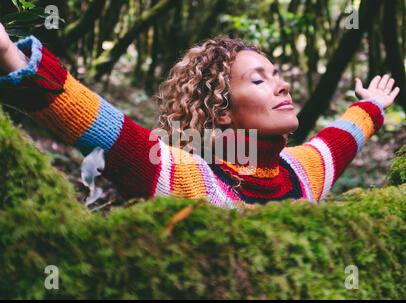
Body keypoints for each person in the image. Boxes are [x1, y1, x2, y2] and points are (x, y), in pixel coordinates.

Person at [0, 23, 400, 209]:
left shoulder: (300, 170)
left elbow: (340, 139)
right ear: (221, 112)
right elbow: (112, 133)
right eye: (259, 81)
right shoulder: (195, 182)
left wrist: (372, 107)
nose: (282, 87)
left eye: (277, 76)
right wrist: (13, 58)